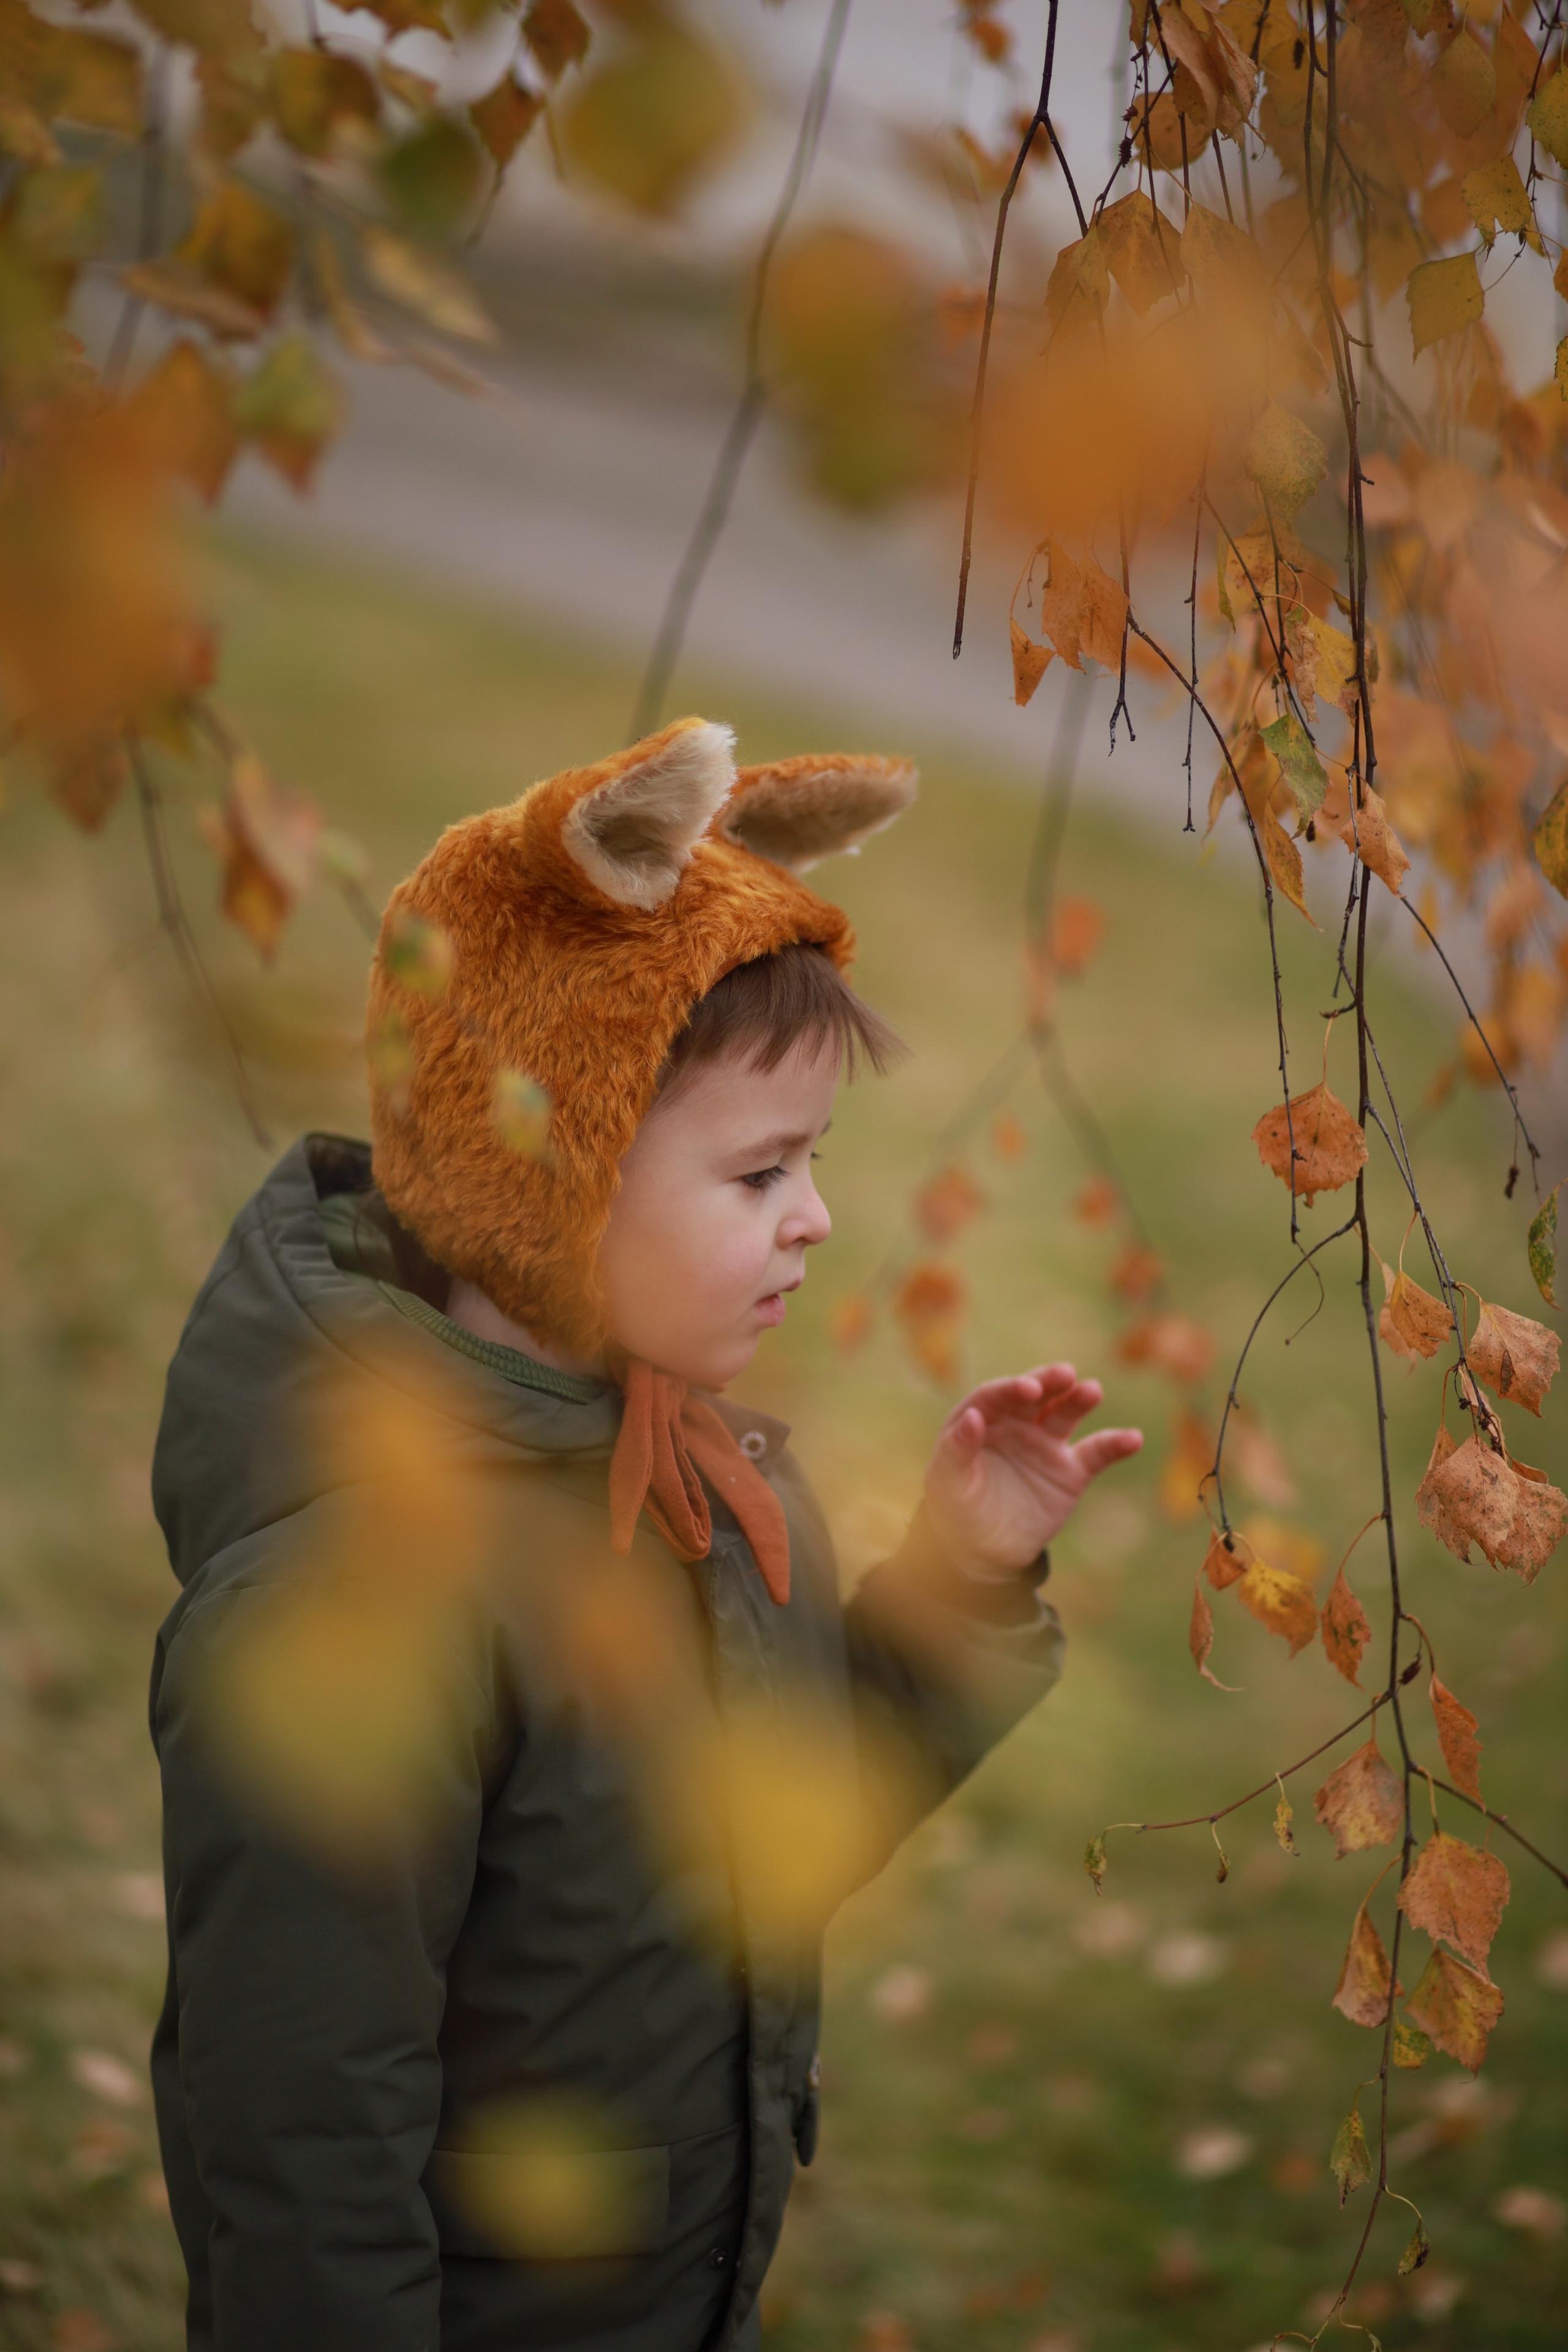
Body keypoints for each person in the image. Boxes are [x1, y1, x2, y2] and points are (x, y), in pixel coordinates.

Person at [149, 718, 1142, 2352]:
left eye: (811, 1163)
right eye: (760, 1173)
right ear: (554, 1180)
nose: (814, 1218)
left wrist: (959, 1586)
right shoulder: (358, 1600)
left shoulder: (697, 1478)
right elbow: (302, 2138)